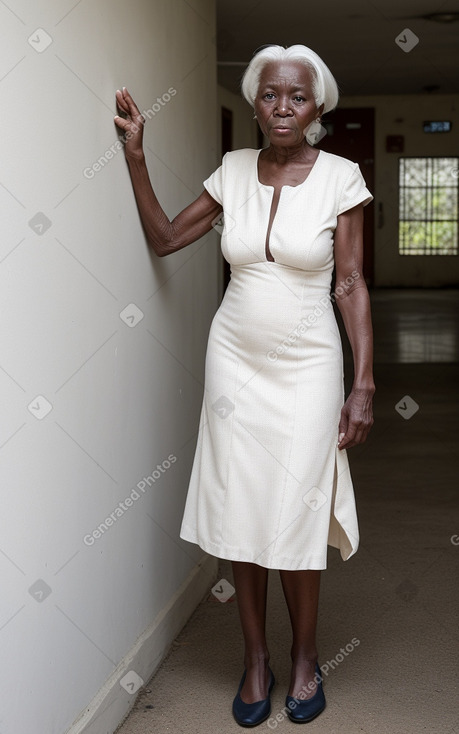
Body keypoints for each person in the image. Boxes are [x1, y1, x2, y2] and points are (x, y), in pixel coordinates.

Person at [114, 43, 375, 727]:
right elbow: (169, 238)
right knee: (241, 511)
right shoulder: (231, 170)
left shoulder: (341, 177)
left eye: (295, 95)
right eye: (268, 94)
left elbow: (347, 283)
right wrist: (136, 157)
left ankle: (305, 659)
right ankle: (256, 659)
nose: (281, 106)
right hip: (233, 358)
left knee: (295, 507)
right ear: (255, 103)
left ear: (316, 104)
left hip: (309, 362)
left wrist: (363, 383)